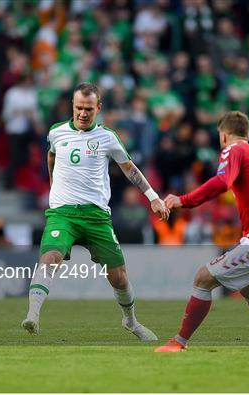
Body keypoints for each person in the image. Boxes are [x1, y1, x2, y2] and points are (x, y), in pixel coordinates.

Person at [22, 83, 169, 341]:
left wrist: (153, 197)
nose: (82, 113)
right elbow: (51, 156)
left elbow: (129, 168)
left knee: (119, 277)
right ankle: (32, 315)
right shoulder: (56, 132)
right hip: (63, 213)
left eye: (88, 109)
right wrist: (54, 187)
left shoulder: (107, 137)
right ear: (72, 105)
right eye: (78, 107)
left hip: (96, 216)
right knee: (50, 257)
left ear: (98, 108)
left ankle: (131, 322)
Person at [155, 111, 249, 352]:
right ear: (248, 134)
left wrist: (183, 200)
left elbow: (222, 182)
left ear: (223, 135)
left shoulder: (234, 150)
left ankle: (179, 342)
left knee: (203, 278)